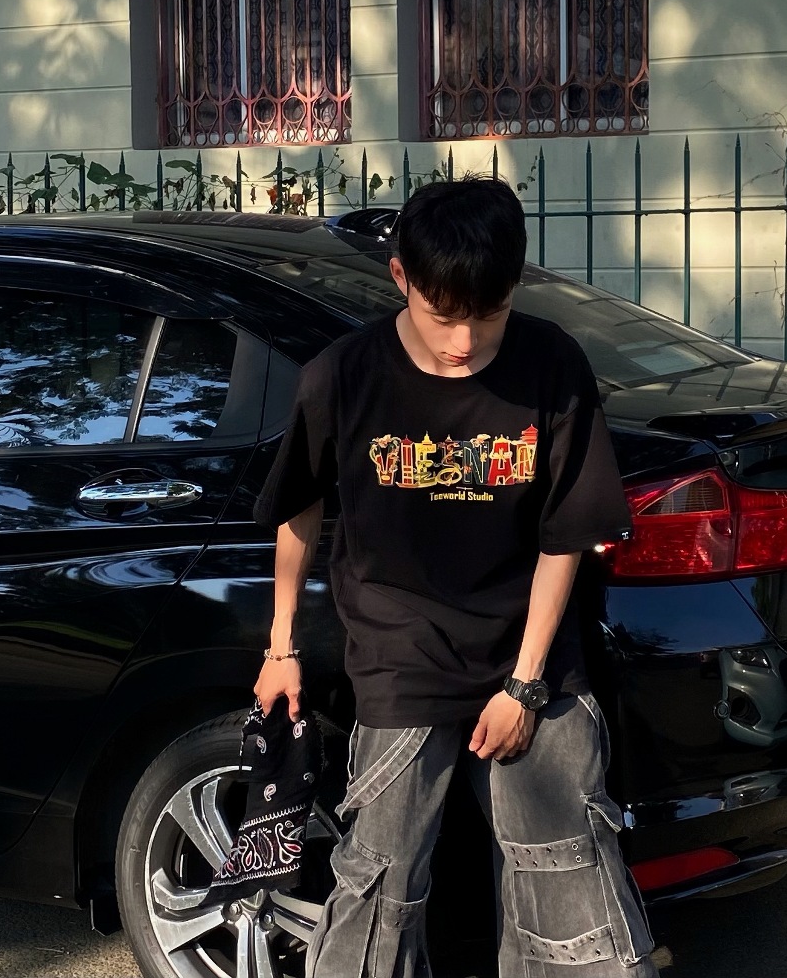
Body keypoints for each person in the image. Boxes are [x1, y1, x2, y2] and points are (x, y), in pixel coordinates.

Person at [251, 177, 660, 978]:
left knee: (566, 877)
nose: (465, 341)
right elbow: (297, 509)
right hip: (401, 661)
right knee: (379, 885)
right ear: (400, 277)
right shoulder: (343, 376)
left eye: (490, 314)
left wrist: (525, 686)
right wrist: (280, 646)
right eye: (443, 315)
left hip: (531, 659)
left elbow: (565, 536)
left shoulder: (552, 365)